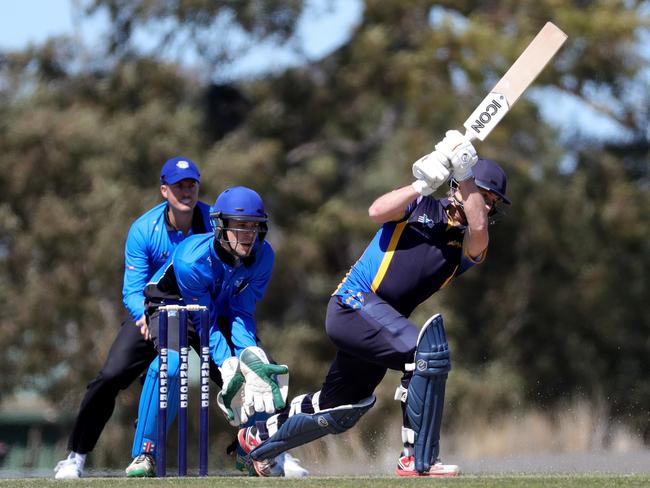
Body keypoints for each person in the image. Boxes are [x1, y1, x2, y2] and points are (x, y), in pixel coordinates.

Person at [236, 130, 512, 477]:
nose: (486, 205)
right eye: (484, 196)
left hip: (379, 322)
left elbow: (479, 225)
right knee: (423, 353)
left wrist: (465, 173)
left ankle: (259, 439)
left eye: (491, 201)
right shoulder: (423, 205)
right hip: (353, 303)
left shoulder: (471, 243)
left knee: (338, 408)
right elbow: (376, 210)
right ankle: (416, 458)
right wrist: (421, 184)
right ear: (456, 189)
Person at [124, 186, 308, 478]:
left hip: (218, 307)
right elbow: (204, 322)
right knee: (171, 367)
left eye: (254, 227)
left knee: (258, 372)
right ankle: (145, 453)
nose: (248, 235)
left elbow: (241, 312)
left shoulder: (264, 257)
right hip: (170, 302)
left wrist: (250, 354)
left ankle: (257, 452)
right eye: (240, 227)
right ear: (220, 226)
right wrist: (226, 363)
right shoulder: (191, 261)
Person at [54, 156, 212, 479]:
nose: (187, 192)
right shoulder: (144, 229)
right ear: (164, 190)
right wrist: (144, 316)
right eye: (179, 186)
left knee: (239, 369)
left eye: (191, 185)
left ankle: (268, 454)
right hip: (151, 312)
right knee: (110, 376)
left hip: (198, 312)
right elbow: (132, 290)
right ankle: (76, 456)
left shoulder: (211, 223)